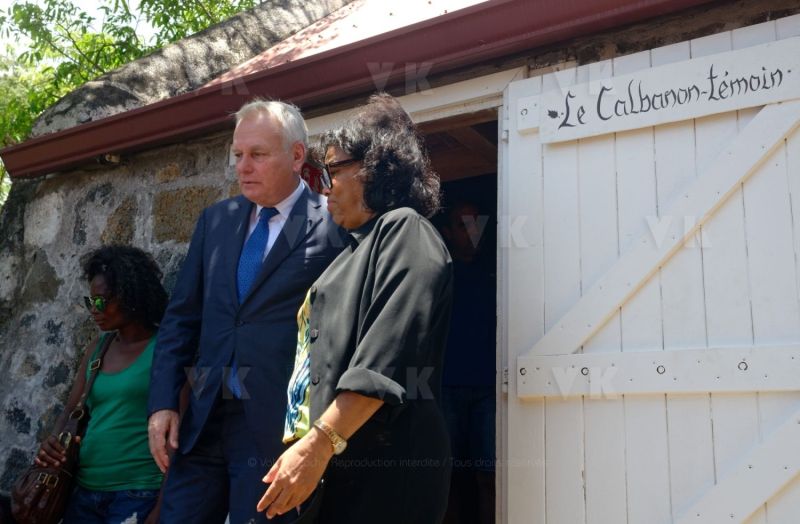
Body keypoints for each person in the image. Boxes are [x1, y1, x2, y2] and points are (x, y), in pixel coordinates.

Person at [257, 93, 454, 524]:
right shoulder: (350, 252)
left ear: (374, 168)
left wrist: (318, 445)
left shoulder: (405, 230)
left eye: (331, 170)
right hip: (340, 466)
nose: (323, 187)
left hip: (384, 471)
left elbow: (385, 361)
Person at [146, 99, 344, 523]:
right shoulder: (215, 221)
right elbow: (181, 318)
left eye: (257, 154)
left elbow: (342, 333)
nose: (243, 167)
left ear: (296, 155)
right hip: (203, 420)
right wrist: (162, 403)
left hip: (274, 429)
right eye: (238, 155)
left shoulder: (332, 224)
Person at [34, 245, 168, 524]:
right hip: (85, 492)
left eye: (101, 301)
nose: (94, 310)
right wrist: (53, 444)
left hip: (138, 492)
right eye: (90, 302)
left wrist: (160, 509)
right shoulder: (99, 348)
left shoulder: (165, 349)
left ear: (130, 296)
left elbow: (182, 432)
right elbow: (71, 411)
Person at [438, 200, 496, 524]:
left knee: (490, 473)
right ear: (448, 233)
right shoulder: (439, 275)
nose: (473, 232)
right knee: (447, 476)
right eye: (463, 226)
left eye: (477, 224)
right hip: (446, 387)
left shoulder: (499, 274)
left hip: (489, 389)